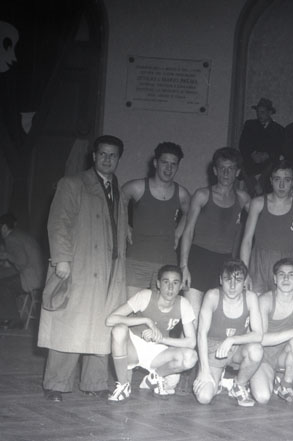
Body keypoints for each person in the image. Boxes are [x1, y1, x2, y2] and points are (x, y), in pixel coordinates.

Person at [38, 135, 128, 402]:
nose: (107, 159)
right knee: (69, 323)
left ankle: (94, 382)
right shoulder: (73, 183)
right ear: (94, 156)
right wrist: (61, 258)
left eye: (113, 155)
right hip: (80, 264)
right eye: (103, 154)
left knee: (102, 324)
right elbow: (58, 222)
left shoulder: (117, 189)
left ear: (118, 159)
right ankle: (56, 384)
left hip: (109, 268)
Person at [105, 265, 197, 402]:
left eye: (175, 283)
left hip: (157, 351)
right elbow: (110, 319)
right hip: (133, 346)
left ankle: (155, 376)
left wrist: (161, 339)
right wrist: (147, 321)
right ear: (158, 284)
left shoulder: (183, 304)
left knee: (190, 358)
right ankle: (124, 385)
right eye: (166, 282)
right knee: (119, 330)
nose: (170, 288)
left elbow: (191, 342)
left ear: (180, 286)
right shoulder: (145, 296)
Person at [180, 147, 250, 322]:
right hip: (198, 259)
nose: (226, 173)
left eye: (231, 168)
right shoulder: (202, 195)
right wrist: (183, 266)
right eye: (222, 168)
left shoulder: (243, 198)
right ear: (215, 170)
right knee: (193, 320)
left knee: (213, 321)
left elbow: (265, 211)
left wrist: (291, 196)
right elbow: (188, 232)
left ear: (237, 172)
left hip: (224, 263)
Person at [121, 142, 190, 298]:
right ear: (155, 163)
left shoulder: (182, 194)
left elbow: (189, 215)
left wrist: (177, 234)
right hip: (136, 260)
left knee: (159, 309)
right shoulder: (137, 187)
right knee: (131, 308)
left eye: (173, 164)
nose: (169, 168)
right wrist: (125, 226)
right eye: (164, 162)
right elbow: (120, 199)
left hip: (166, 263)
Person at [193, 260, 263, 407]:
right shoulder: (212, 296)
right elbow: (201, 334)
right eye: (227, 280)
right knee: (204, 397)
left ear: (244, 282)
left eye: (238, 280)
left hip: (236, 349)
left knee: (256, 351)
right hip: (213, 350)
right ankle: (217, 379)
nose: (232, 286)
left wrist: (232, 339)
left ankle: (239, 385)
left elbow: (258, 334)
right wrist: (204, 371)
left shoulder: (251, 298)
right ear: (220, 280)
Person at [240, 160, 293, 295]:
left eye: (286, 180)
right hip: (258, 263)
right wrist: (244, 272)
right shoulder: (258, 203)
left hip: (286, 265)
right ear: (271, 181)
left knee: (282, 306)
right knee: (255, 305)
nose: (282, 185)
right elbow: (247, 241)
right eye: (277, 179)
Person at [251, 258, 293, 404]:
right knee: (262, 397)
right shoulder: (264, 300)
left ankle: (285, 385)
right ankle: (256, 376)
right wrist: (292, 332)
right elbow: (261, 339)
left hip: (284, 353)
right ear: (275, 279)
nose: (286, 278)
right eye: (281, 274)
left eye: (291, 275)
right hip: (263, 356)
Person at [0, 213, 45, 328]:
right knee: (6, 279)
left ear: (4, 227)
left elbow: (21, 261)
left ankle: (12, 320)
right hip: (41, 275)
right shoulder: (21, 235)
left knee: (3, 285)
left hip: (32, 279)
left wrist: (6, 256)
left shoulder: (10, 238)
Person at [239, 98, 285, 196]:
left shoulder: (278, 129)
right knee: (241, 163)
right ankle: (257, 189)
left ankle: (256, 190)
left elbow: (280, 148)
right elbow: (243, 144)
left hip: (268, 161)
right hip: (251, 159)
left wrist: (267, 155)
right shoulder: (250, 124)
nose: (259, 115)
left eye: (262, 112)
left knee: (274, 164)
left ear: (270, 113)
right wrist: (253, 153)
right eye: (258, 112)